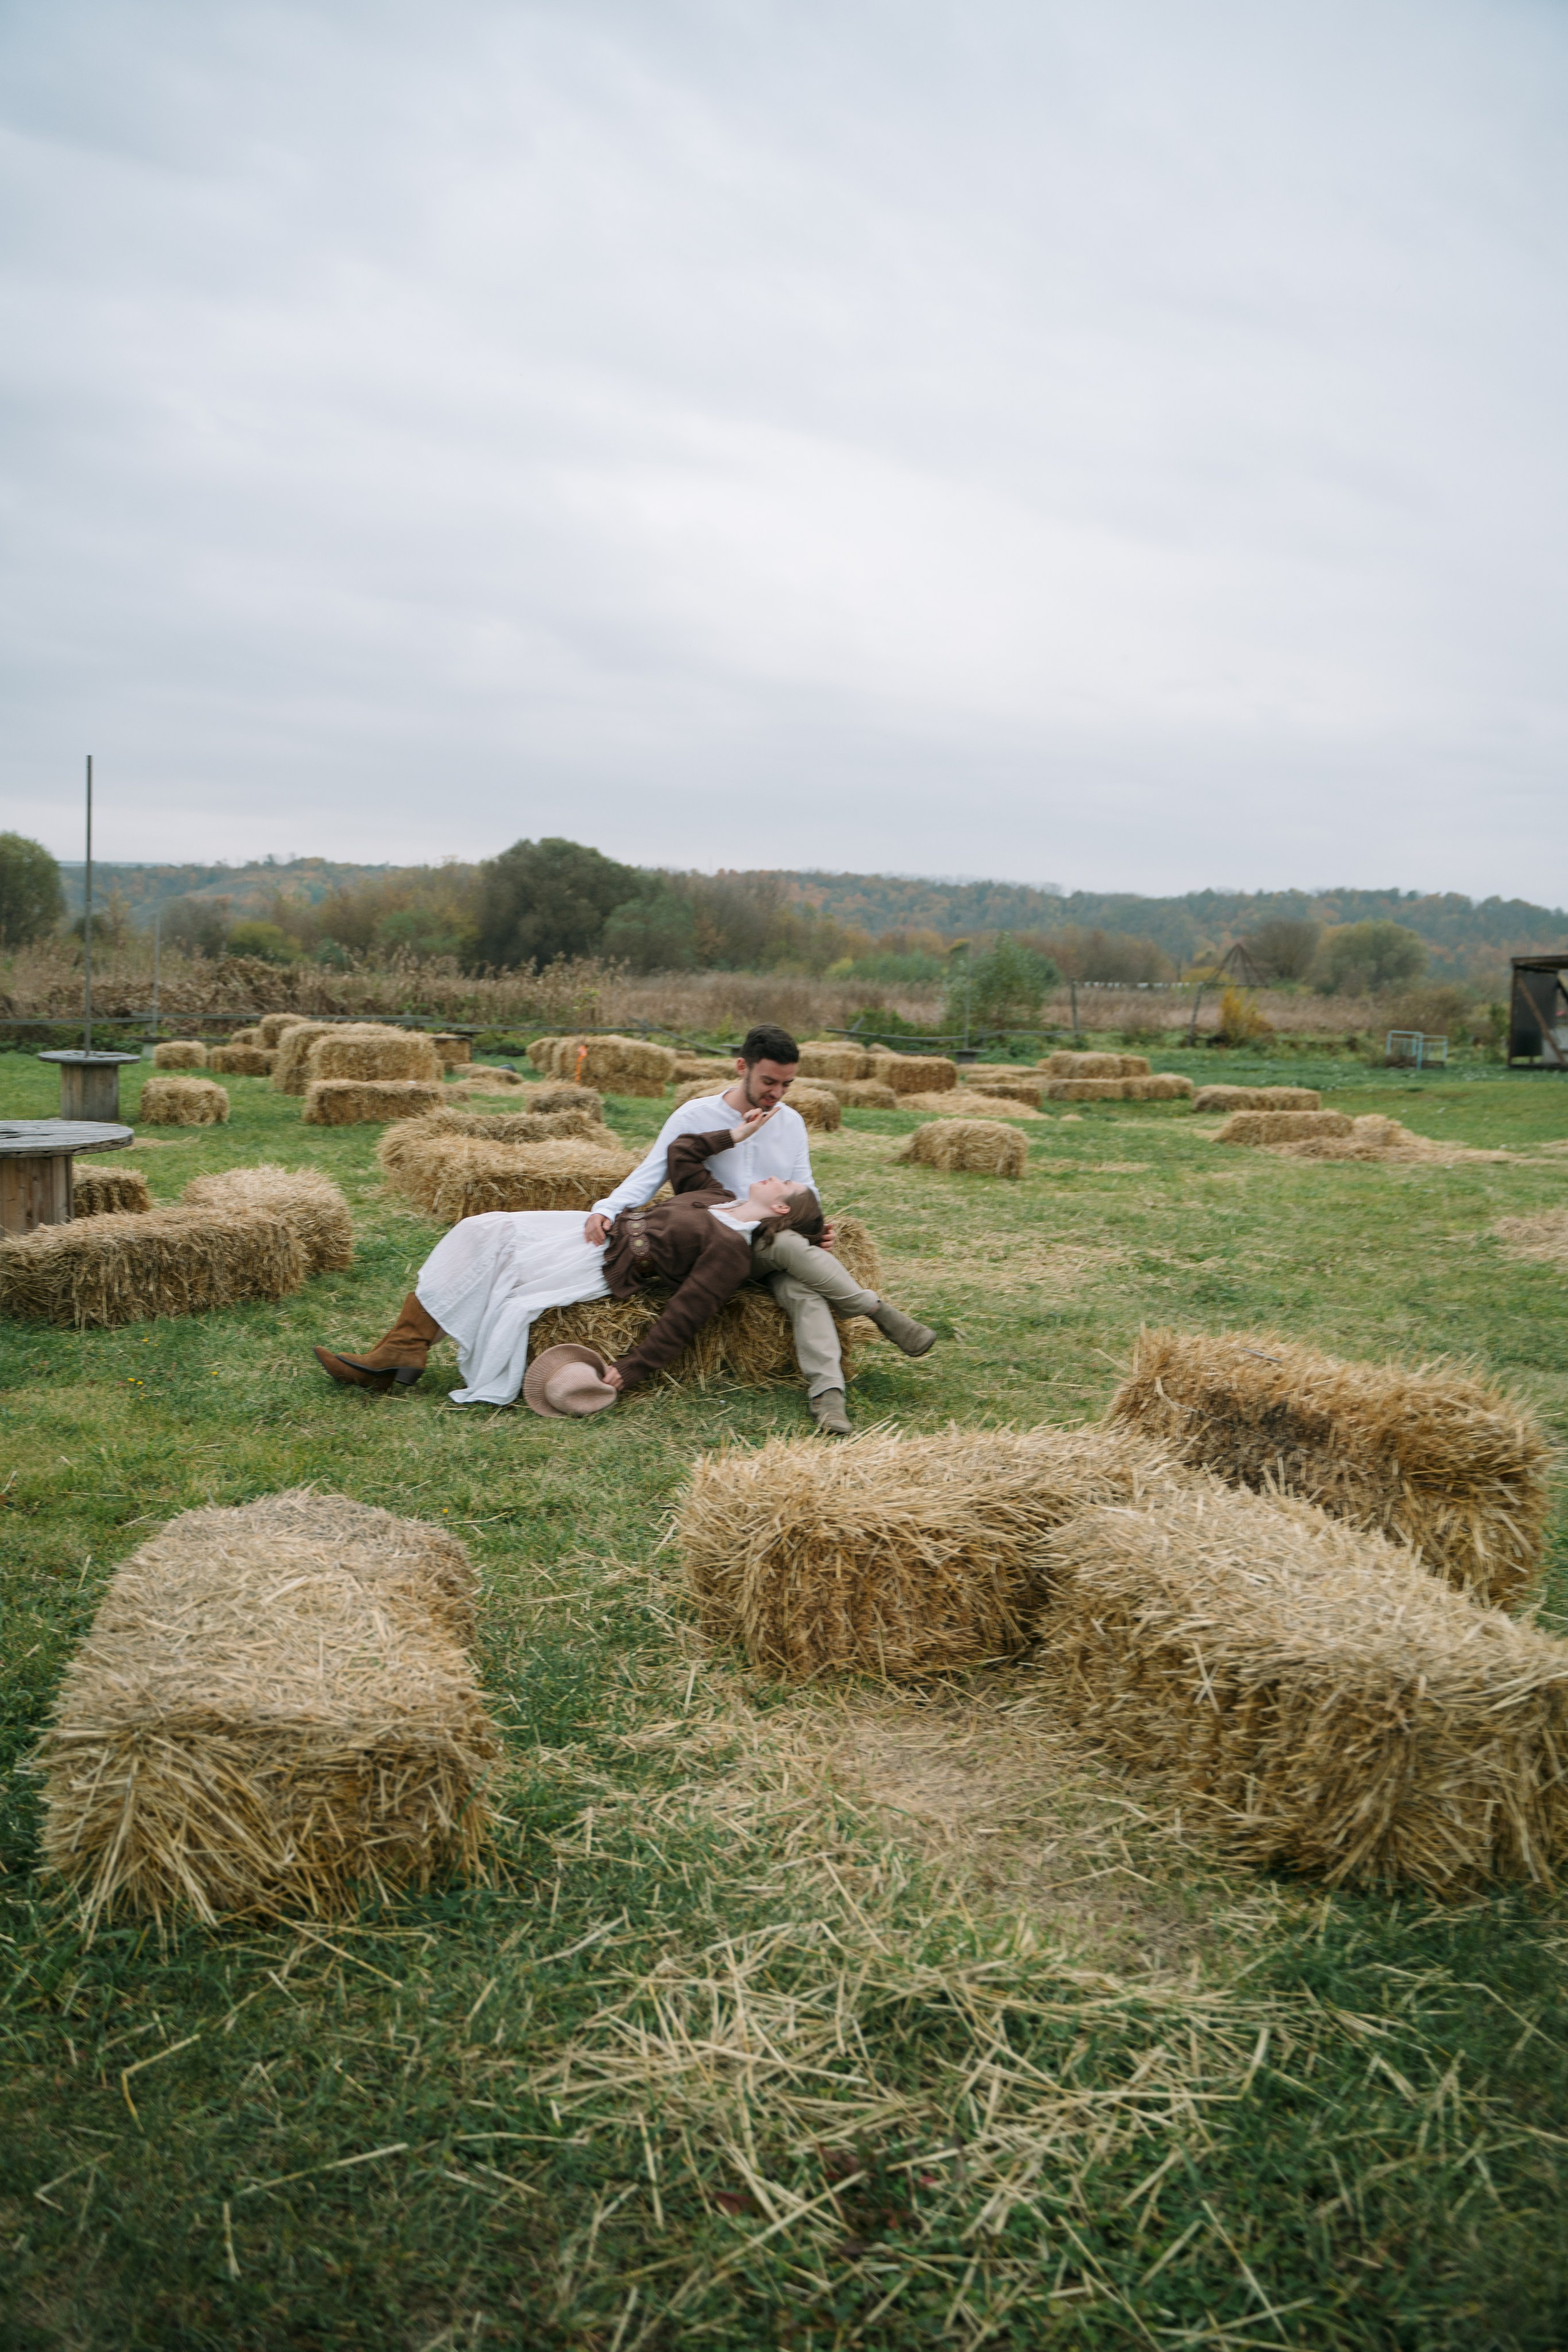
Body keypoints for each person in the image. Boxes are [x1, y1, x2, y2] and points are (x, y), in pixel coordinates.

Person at [312, 1109, 933, 1419]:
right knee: (481, 1228)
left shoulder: (727, 1250)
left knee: (506, 1273)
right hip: (592, 1232)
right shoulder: (713, 1194)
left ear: (779, 1210)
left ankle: (398, 1354)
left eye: (786, 1184)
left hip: (604, 1266)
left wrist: (628, 1372)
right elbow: (682, 1150)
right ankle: (403, 1347)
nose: (776, 1176)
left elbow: (685, 1317)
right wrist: (733, 1138)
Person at [582, 1021, 923, 1433]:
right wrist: (608, 1207)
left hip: (772, 1233)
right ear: (742, 1066)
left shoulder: (792, 1123)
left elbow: (805, 1185)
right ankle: (872, 1309)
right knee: (790, 1251)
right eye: (768, 1081)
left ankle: (829, 1399)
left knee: (803, 1290)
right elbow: (653, 1171)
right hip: (719, 1242)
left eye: (786, 1085)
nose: (776, 1093)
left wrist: (817, 1228)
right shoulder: (696, 1115)